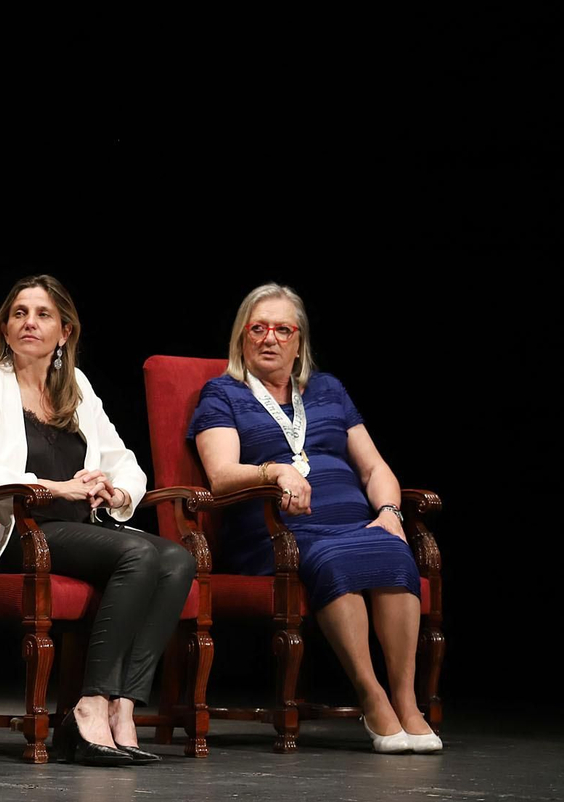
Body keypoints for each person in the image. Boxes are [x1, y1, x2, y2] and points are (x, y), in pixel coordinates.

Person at [0, 275, 194, 766]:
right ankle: (90, 704)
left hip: (79, 528)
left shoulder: (77, 387)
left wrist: (115, 488)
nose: (29, 323)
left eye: (42, 315)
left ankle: (123, 705)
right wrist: (54, 488)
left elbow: (126, 461)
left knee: (175, 558)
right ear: (4, 324)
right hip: (19, 531)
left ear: (65, 332)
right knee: (137, 553)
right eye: (19, 313)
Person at [189, 282, 440, 754]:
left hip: (352, 523)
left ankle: (407, 701)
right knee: (332, 558)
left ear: (299, 341)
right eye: (258, 328)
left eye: (283, 330)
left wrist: (388, 511)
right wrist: (275, 469)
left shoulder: (327, 390)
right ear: (241, 337)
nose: (270, 339)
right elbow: (220, 475)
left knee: (394, 550)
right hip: (275, 533)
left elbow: (373, 467)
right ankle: (373, 696)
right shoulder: (223, 392)